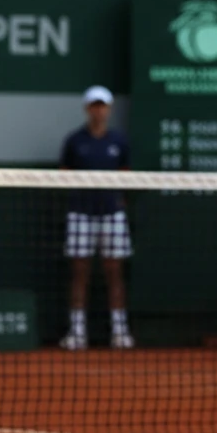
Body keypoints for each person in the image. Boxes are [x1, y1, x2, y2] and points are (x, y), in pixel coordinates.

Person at [59, 85, 135, 352]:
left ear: (109, 109)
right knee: (80, 272)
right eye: (94, 105)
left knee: (114, 272)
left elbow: (127, 175)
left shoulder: (119, 141)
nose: (99, 110)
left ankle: (120, 331)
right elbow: (63, 174)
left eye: (103, 105)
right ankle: (77, 332)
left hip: (112, 214)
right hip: (81, 214)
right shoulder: (74, 141)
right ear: (87, 108)